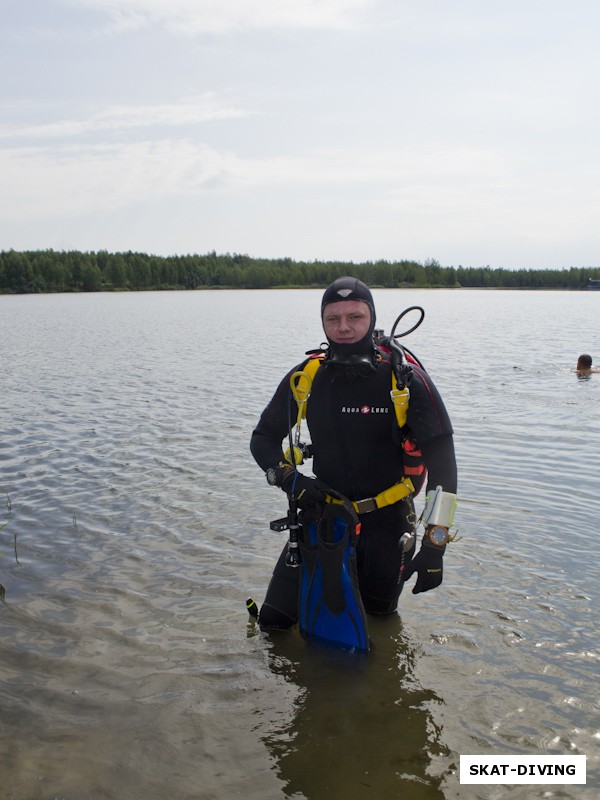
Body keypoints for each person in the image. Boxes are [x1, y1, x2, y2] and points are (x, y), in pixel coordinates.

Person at [250, 276, 458, 629]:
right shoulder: (307, 376)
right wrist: (292, 481)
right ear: (322, 322)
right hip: (321, 518)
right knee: (274, 624)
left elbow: (444, 467)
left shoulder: (404, 380)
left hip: (388, 527)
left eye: (355, 317)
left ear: (372, 318)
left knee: (378, 626)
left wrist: (435, 544)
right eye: (333, 319)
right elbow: (262, 440)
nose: (344, 327)